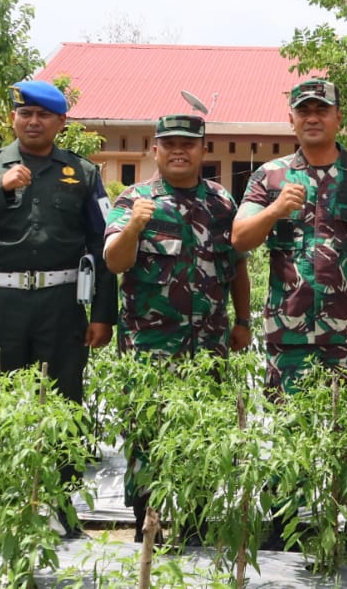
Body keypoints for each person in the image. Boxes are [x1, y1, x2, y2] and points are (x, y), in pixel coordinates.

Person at [0, 79, 118, 540]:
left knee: (64, 404)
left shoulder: (82, 172)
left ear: (60, 122)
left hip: (61, 303)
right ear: (13, 118)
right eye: (25, 114)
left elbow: (102, 242)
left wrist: (103, 313)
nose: (33, 122)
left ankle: (59, 507)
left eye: (43, 115)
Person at [231, 78, 347, 573]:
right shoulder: (269, 176)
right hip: (289, 333)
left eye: (322, 109)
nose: (313, 117)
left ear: (338, 118)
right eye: (304, 110)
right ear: (292, 120)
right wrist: (277, 209)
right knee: (286, 429)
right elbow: (240, 238)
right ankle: (286, 525)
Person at [103, 114, 252, 543]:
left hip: (208, 345)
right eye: (169, 144)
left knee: (203, 432)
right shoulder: (135, 198)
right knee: (146, 434)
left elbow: (237, 267)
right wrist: (135, 226)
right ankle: (146, 524)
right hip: (148, 347)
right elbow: (114, 261)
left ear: (203, 150)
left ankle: (196, 524)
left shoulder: (221, 202)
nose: (178, 151)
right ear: (155, 150)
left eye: (188, 144)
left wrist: (243, 321)